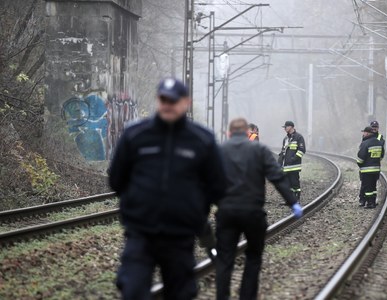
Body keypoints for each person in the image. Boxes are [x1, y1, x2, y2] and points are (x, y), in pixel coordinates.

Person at [108, 78, 227, 300]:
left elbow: (217, 186)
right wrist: (136, 204)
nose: (168, 104)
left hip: (180, 236)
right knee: (132, 290)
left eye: (174, 100)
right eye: (163, 99)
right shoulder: (135, 135)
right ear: (157, 100)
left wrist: (194, 210)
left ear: (186, 103)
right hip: (140, 233)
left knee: (180, 294)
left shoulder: (202, 140)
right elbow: (116, 179)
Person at [216, 118, 302, 300]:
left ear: (228, 133)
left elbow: (206, 181)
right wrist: (292, 201)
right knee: (253, 258)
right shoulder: (259, 150)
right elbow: (277, 177)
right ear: (247, 132)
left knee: (224, 259)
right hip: (252, 213)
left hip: (227, 212)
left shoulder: (220, 151)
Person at [357, 126, 384, 208]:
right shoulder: (379, 143)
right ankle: (373, 201)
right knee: (373, 187)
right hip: (376, 169)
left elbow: (360, 157)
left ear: (368, 133)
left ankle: (369, 203)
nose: (363, 134)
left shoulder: (365, 143)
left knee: (367, 188)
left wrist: (360, 164)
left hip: (366, 170)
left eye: (364, 132)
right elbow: (381, 155)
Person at [278, 121, 306, 201]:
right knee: (287, 184)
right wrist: (279, 162)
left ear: (291, 127)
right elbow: (283, 151)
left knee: (295, 184)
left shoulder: (299, 137)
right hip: (286, 167)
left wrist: (292, 159)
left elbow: (302, 150)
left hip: (294, 166)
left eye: (286, 127)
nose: (285, 129)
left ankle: (296, 199)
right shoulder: (286, 139)